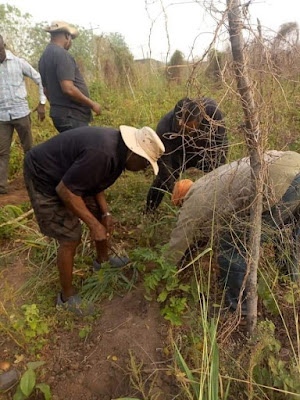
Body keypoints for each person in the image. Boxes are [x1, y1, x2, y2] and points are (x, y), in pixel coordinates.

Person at [24, 125, 165, 313]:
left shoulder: (117, 153)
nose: (144, 168)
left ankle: (102, 262)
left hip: (68, 178)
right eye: (146, 163)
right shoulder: (103, 153)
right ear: (135, 153)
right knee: (70, 236)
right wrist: (93, 225)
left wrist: (105, 214)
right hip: (44, 176)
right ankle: (66, 298)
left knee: (99, 215)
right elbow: (65, 191)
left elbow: (95, 181)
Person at [168, 151, 300, 314]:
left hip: (276, 181)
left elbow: (180, 237)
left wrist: (167, 267)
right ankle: (291, 285)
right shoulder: (209, 180)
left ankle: (238, 309)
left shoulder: (193, 199)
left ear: (181, 200)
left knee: (233, 246)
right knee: (289, 238)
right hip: (293, 163)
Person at [146, 97, 228, 211]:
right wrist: (175, 189)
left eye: (190, 129)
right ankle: (149, 211)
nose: (187, 133)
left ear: (199, 119)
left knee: (219, 179)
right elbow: (164, 163)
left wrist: (218, 171)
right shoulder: (164, 128)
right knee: (161, 182)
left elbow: (221, 144)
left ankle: (216, 210)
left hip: (204, 151)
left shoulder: (212, 112)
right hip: (178, 153)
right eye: (182, 129)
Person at [0, 35, 46, 194]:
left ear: (3, 45)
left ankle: (35, 181)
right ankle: (2, 187)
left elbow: (39, 78)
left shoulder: (19, 62)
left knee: (29, 149)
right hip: (1, 117)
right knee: (2, 152)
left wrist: (41, 103)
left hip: (21, 113)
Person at [39, 21, 101, 133]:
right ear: (67, 36)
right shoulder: (62, 55)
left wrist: (57, 107)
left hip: (59, 116)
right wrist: (92, 104)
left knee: (71, 147)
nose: (70, 42)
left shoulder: (44, 57)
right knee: (81, 147)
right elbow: (68, 89)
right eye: (71, 38)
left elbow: (46, 90)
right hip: (72, 116)